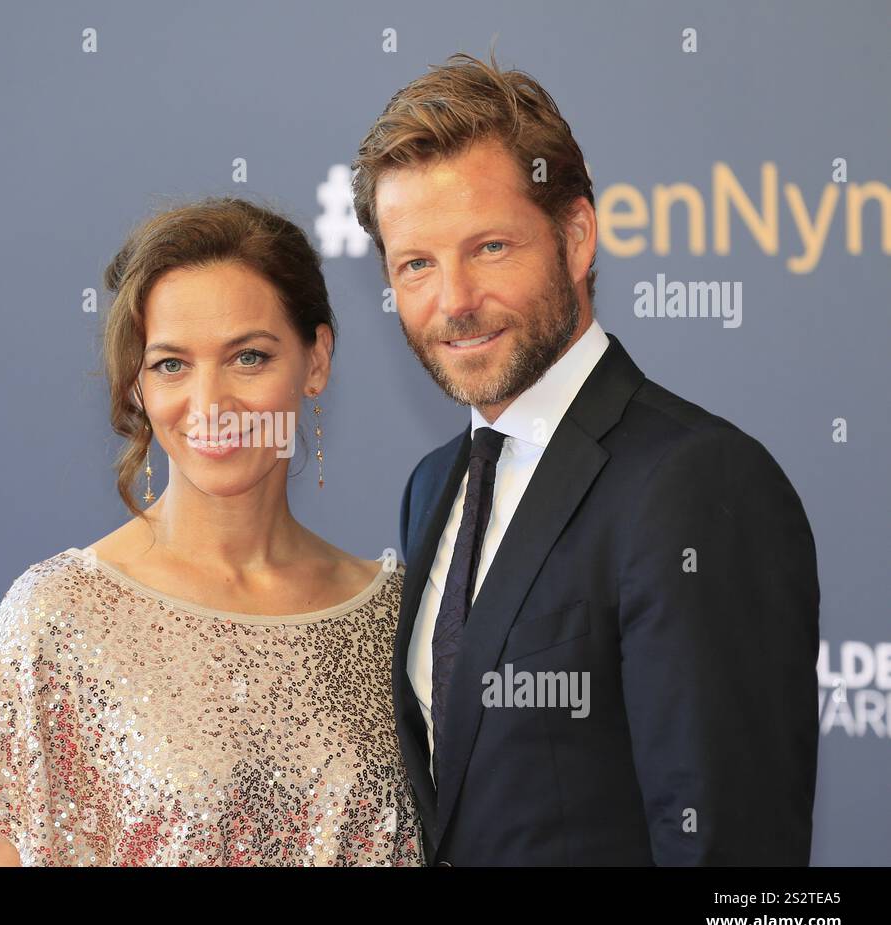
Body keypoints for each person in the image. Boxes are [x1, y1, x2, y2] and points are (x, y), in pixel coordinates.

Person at [350, 53, 820, 865]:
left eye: (489, 247)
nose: (453, 300)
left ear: (575, 236)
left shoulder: (696, 482)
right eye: (416, 264)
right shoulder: (433, 487)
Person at [0, 197, 423, 866]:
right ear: (137, 387)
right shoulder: (58, 619)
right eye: (172, 365)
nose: (211, 405)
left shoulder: (399, 617)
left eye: (249, 357)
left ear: (315, 360)